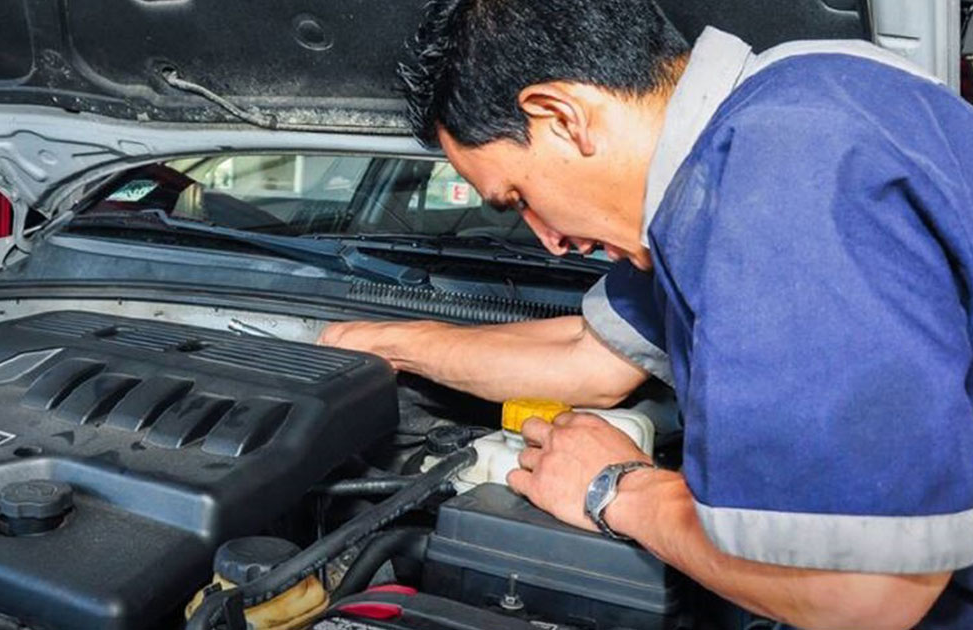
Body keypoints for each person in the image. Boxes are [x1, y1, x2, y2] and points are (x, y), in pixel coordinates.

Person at [318, 0, 973, 627]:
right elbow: (589, 358)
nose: (550, 241)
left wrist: (615, 489)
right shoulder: (772, 115)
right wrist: (384, 344)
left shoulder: (776, 190)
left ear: (561, 115)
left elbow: (862, 592)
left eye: (517, 198)